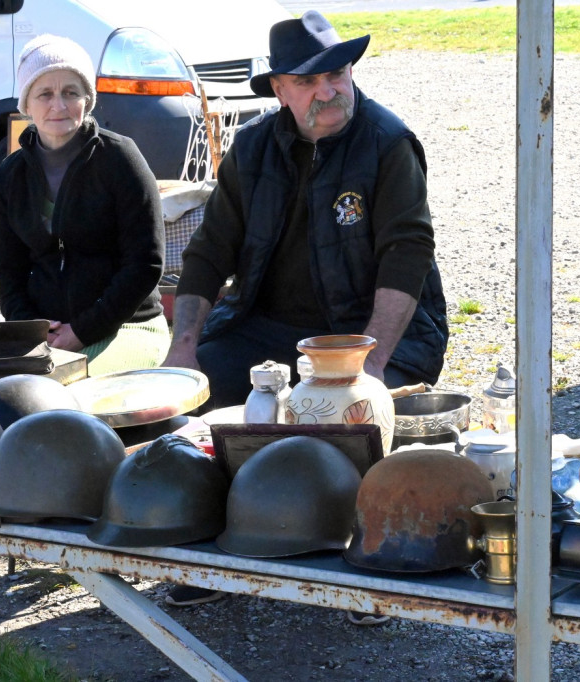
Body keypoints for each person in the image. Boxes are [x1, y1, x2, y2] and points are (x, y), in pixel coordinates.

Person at [160, 11, 448, 613]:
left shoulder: (388, 143)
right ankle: (207, 553)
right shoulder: (253, 148)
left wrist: (366, 364)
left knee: (353, 419)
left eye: (337, 73)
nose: (328, 91)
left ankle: (365, 568)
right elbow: (211, 251)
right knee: (195, 398)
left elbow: (407, 256)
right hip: (267, 328)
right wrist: (182, 351)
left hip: (375, 334)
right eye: (309, 81)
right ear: (280, 90)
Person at [0, 34, 170, 375]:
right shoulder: (10, 175)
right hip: (46, 336)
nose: (58, 105)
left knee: (75, 391)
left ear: (88, 100)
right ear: (26, 104)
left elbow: (145, 264)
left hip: (127, 327)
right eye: (45, 94)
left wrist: (82, 332)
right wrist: (32, 329)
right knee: (2, 395)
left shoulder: (121, 159)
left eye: (71, 92)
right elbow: (6, 269)